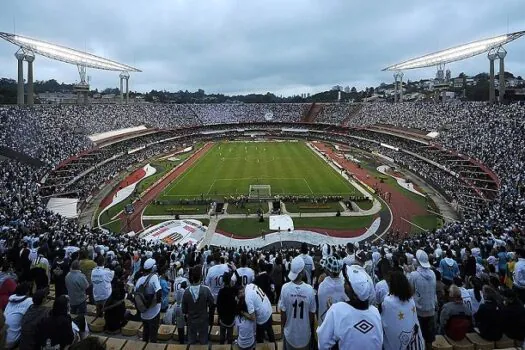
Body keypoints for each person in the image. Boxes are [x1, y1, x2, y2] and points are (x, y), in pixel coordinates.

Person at [316, 264, 382, 350]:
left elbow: (323, 344)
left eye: (347, 282)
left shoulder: (337, 310)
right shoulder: (375, 312)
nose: (344, 282)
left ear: (354, 295)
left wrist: (331, 314)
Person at [278, 256, 316, 350]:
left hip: (290, 333)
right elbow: (311, 314)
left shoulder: (285, 288)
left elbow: (283, 313)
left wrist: (284, 328)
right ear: (302, 272)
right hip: (304, 335)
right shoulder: (310, 290)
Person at [381, 271, 424, 350]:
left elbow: (385, 321)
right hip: (413, 339)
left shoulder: (388, 301)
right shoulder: (410, 299)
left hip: (395, 340)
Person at [408, 250, 437, 348]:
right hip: (431, 309)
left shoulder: (414, 275)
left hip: (419, 311)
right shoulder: (433, 273)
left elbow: (410, 292)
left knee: (419, 337)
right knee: (429, 337)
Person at [182, 265, 214, 345]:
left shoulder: (186, 292)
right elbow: (212, 304)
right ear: (200, 277)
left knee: (191, 341)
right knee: (203, 341)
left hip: (191, 320)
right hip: (203, 319)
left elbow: (184, 310)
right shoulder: (206, 290)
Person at [134, 258, 162, 343]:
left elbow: (135, 296)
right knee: (153, 335)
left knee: (145, 333)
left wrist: (143, 307)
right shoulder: (153, 277)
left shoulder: (139, 280)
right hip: (153, 313)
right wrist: (153, 304)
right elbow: (159, 292)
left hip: (143, 313)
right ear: (153, 267)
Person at [317, 255, 346, 325]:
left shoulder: (322, 286)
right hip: (340, 324)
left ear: (328, 271)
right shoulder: (344, 285)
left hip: (325, 324)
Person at [4, 282, 33, 349]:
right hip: (11, 341)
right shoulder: (29, 301)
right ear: (27, 292)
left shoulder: (11, 299)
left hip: (3, 337)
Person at [217, 271, 237, 345]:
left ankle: (222, 346)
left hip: (223, 317)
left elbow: (218, 305)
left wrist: (220, 315)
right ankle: (229, 345)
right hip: (231, 318)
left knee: (222, 336)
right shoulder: (233, 291)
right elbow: (235, 305)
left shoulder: (221, 292)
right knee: (230, 336)